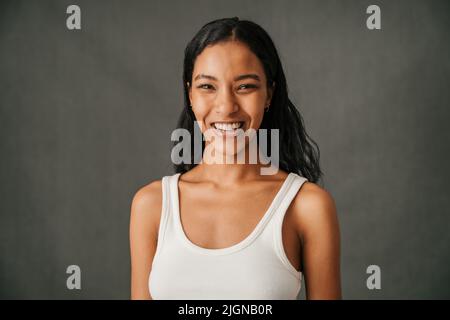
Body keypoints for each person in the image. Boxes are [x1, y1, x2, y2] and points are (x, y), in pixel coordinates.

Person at [130, 17, 341, 300]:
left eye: (245, 87)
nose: (226, 107)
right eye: (207, 86)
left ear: (269, 93)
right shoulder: (151, 204)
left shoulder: (307, 206)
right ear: (189, 93)